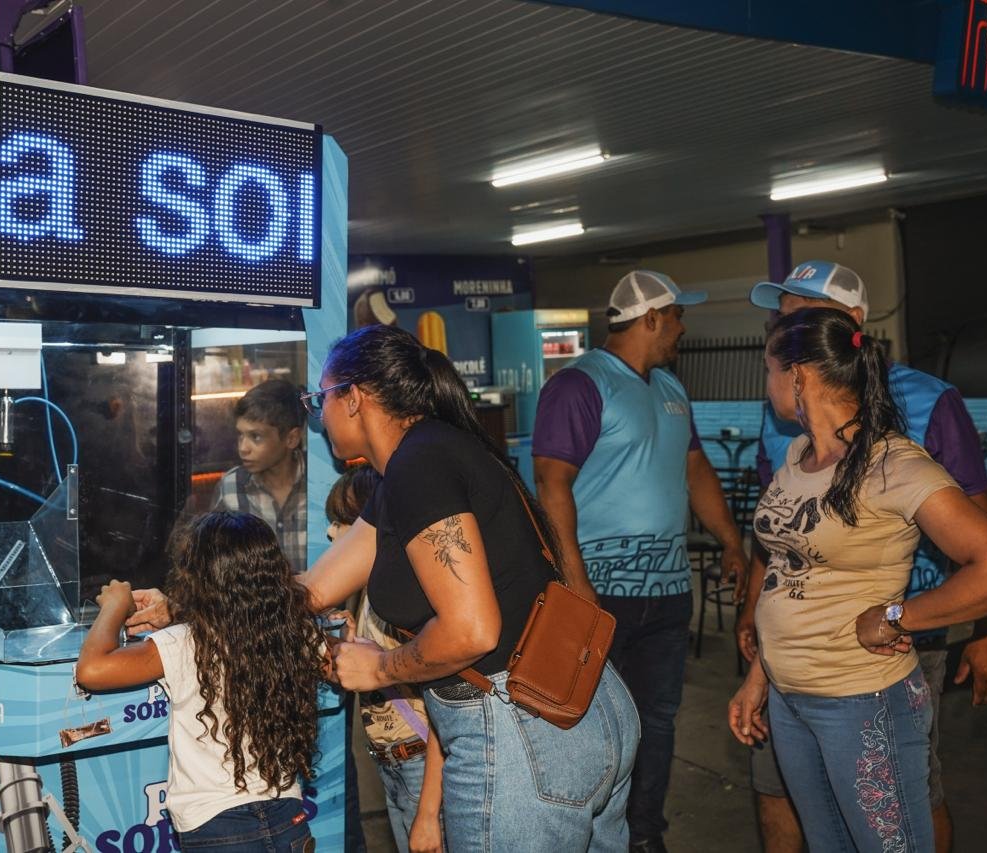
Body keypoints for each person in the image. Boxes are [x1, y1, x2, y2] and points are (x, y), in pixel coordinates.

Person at [298, 323, 639, 851]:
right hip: (583, 707)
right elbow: (315, 588)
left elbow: (472, 631)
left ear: (354, 398)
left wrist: (381, 667)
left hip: (520, 730)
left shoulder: (419, 466)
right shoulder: (423, 461)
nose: (318, 414)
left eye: (319, 398)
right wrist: (185, 606)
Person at [736, 261, 987, 853]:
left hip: (861, 699)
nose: (766, 384)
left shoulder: (895, 463)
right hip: (791, 694)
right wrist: (762, 672)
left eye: (769, 371)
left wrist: (896, 617)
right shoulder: (798, 456)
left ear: (801, 376)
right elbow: (789, 574)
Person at [532, 270, 748, 853]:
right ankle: (590, 836)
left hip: (670, 591)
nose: (682, 328)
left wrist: (731, 541)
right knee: (594, 725)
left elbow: (696, 470)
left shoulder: (672, 390)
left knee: (657, 723)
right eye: (677, 316)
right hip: (602, 594)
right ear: (651, 317)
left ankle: (643, 837)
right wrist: (575, 581)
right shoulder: (579, 385)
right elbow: (552, 482)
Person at [77, 511, 324, 852]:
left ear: (196, 579)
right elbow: (331, 654)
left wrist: (114, 607)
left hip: (216, 828)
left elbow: (91, 671)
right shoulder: (295, 632)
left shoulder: (184, 643)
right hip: (288, 818)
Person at [327, 465, 445, 853]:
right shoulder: (364, 596)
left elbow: (445, 713)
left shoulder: (403, 602)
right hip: (391, 765)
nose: (331, 533)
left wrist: (429, 813)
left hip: (422, 767)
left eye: (343, 523)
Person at [211, 378, 308, 573]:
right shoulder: (231, 487)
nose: (243, 448)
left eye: (256, 437)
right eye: (240, 435)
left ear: (291, 438)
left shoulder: (319, 484)